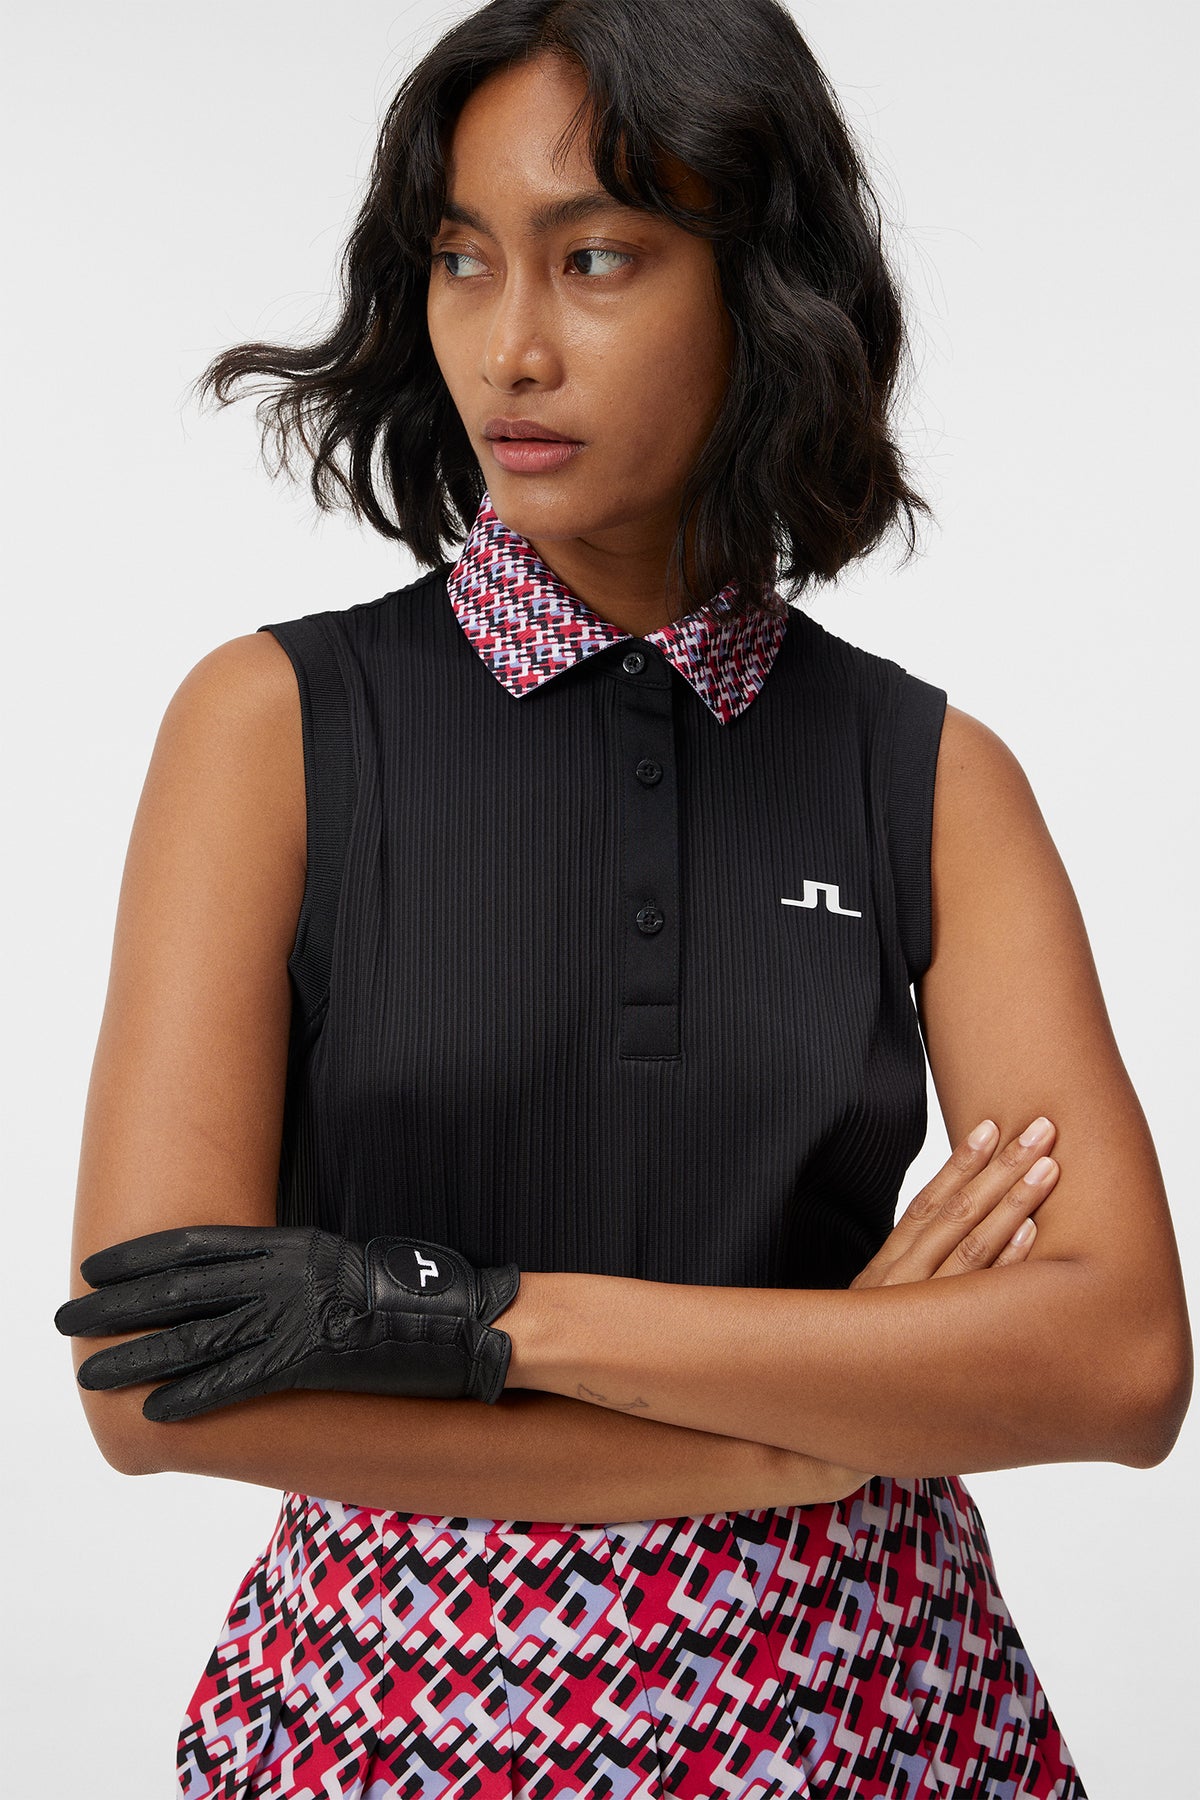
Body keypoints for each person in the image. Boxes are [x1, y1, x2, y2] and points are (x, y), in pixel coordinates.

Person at [53, 1, 1191, 1795]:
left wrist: (479, 1319)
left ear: (765, 292)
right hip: (394, 1723)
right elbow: (145, 1375)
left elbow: (1117, 1361)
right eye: (461, 261)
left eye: (594, 259)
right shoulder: (271, 729)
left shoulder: (927, 774)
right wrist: (810, 1425)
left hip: (868, 1714)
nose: (509, 348)